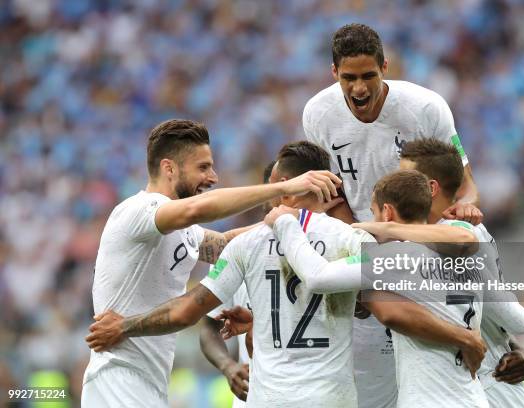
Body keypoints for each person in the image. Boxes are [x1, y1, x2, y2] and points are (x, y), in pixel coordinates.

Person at [81, 121, 341, 408]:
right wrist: (284, 187)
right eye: (203, 167)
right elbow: (197, 210)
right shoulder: (137, 211)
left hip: (146, 380)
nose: (213, 177)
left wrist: (302, 216)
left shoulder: (183, 232)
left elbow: (231, 244)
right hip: (117, 376)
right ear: (169, 168)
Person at [302, 23, 482, 408]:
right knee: (372, 380)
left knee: (444, 366)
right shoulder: (318, 114)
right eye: (348, 78)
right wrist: (359, 241)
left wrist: (463, 209)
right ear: (334, 73)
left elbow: (464, 182)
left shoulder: (426, 108)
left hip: (423, 247)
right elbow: (331, 194)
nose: (359, 88)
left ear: (386, 66)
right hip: (363, 245)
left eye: (369, 75)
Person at [266, 170, 524, 407]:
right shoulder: (472, 258)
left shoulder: (393, 257)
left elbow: (318, 277)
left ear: (387, 212)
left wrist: (286, 225)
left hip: (428, 401)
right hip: (472, 398)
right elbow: (516, 319)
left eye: (373, 211)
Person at [199, 161, 276, 406]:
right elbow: (209, 327)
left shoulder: (337, 242)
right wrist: (228, 366)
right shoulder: (234, 251)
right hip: (255, 399)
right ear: (267, 195)